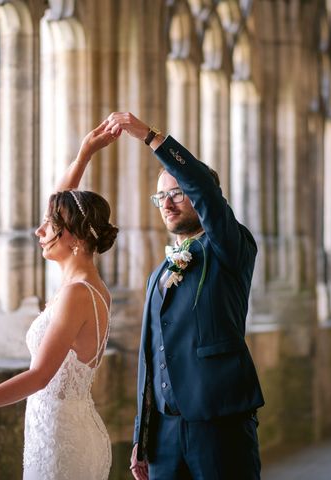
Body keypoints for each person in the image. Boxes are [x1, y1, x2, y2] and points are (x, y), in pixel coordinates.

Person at [0, 120, 120, 480]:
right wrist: (83, 154)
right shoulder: (88, 282)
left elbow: (39, 377)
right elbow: (63, 206)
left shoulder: (76, 294)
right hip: (69, 429)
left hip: (61, 444)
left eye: (48, 227)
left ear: (74, 239)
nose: (39, 231)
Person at [104, 112, 265, 479]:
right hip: (163, 435)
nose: (167, 203)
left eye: (177, 193)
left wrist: (151, 137)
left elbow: (207, 194)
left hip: (219, 422)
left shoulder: (230, 246)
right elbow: (150, 356)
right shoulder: (158, 274)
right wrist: (141, 438)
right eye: (160, 196)